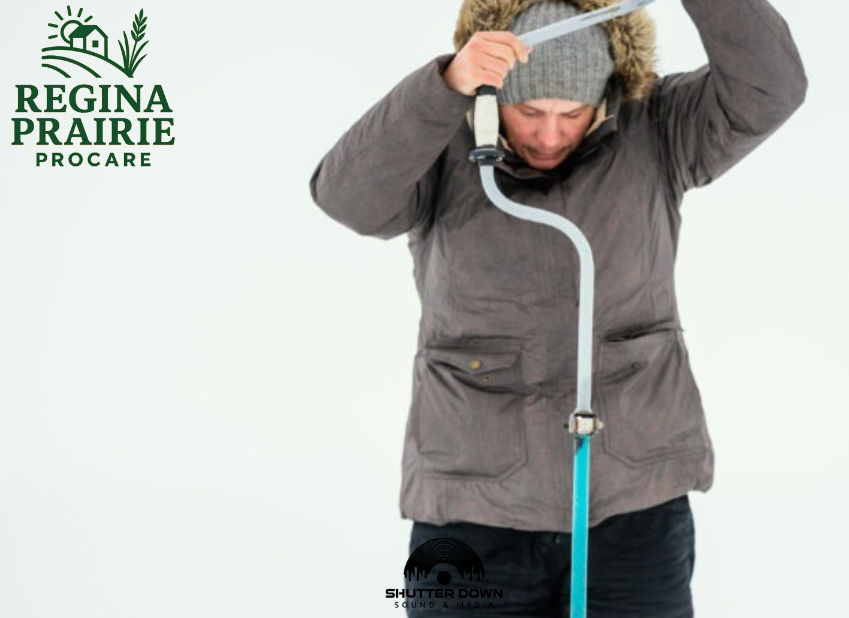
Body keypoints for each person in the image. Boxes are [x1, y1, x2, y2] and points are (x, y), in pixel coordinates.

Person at [311, 0, 806, 615]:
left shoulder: (658, 128)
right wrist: (441, 88)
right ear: (491, 97)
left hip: (634, 509)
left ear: (604, 97)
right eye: (529, 112)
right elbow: (346, 198)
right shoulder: (440, 141)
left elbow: (771, 89)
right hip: (471, 511)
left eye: (571, 113)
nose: (549, 136)